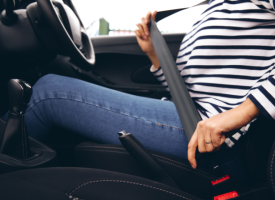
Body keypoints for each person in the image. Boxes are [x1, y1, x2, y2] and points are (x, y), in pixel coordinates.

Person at [3, 0, 275, 182]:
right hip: (196, 117)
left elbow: (211, 107)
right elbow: (195, 93)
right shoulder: (218, 6)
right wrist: (156, 58)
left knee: (50, 93)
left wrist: (241, 113)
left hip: (218, 138)